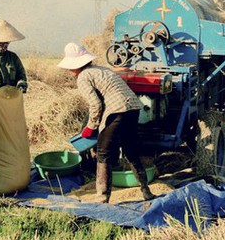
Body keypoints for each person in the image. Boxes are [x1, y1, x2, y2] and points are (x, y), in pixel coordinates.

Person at [57, 43, 154, 203]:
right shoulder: (102, 69)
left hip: (117, 110)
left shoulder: (83, 77)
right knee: (130, 151)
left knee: (103, 153)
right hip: (133, 108)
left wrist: (90, 127)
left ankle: (102, 198)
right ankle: (146, 192)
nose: (69, 70)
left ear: (76, 65)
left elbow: (95, 105)